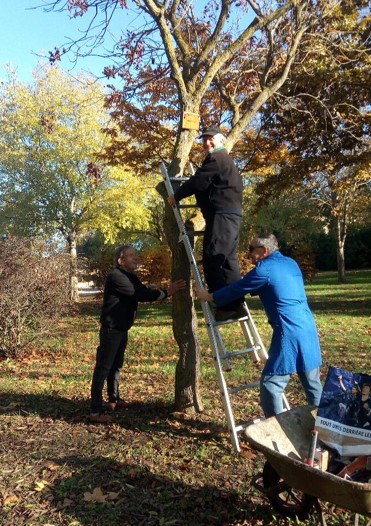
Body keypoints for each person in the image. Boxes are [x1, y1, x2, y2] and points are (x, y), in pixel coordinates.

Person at [196, 232, 323, 418]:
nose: (249, 254)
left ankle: (278, 428)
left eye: (251, 250)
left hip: (288, 330)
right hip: (308, 327)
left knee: (271, 385)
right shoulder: (290, 263)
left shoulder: (264, 270)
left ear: (264, 250)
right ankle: (326, 429)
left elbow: (238, 288)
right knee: (312, 383)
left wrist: (210, 296)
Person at [90, 244, 185, 423]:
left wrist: (160, 290)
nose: (136, 258)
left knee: (115, 366)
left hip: (121, 329)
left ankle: (113, 399)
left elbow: (143, 290)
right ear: (121, 260)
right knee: (103, 368)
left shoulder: (129, 276)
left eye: (136, 254)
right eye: (131, 255)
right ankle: (96, 411)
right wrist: (167, 292)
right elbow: (140, 294)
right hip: (111, 330)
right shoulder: (116, 276)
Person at [167, 125, 245, 321]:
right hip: (231, 217)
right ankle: (237, 305)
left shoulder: (217, 159)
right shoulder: (226, 161)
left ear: (221, 140)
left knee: (212, 259)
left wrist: (176, 195)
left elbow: (198, 182)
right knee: (228, 261)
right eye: (204, 139)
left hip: (222, 216)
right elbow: (205, 183)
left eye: (211, 138)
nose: (207, 142)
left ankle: (225, 307)